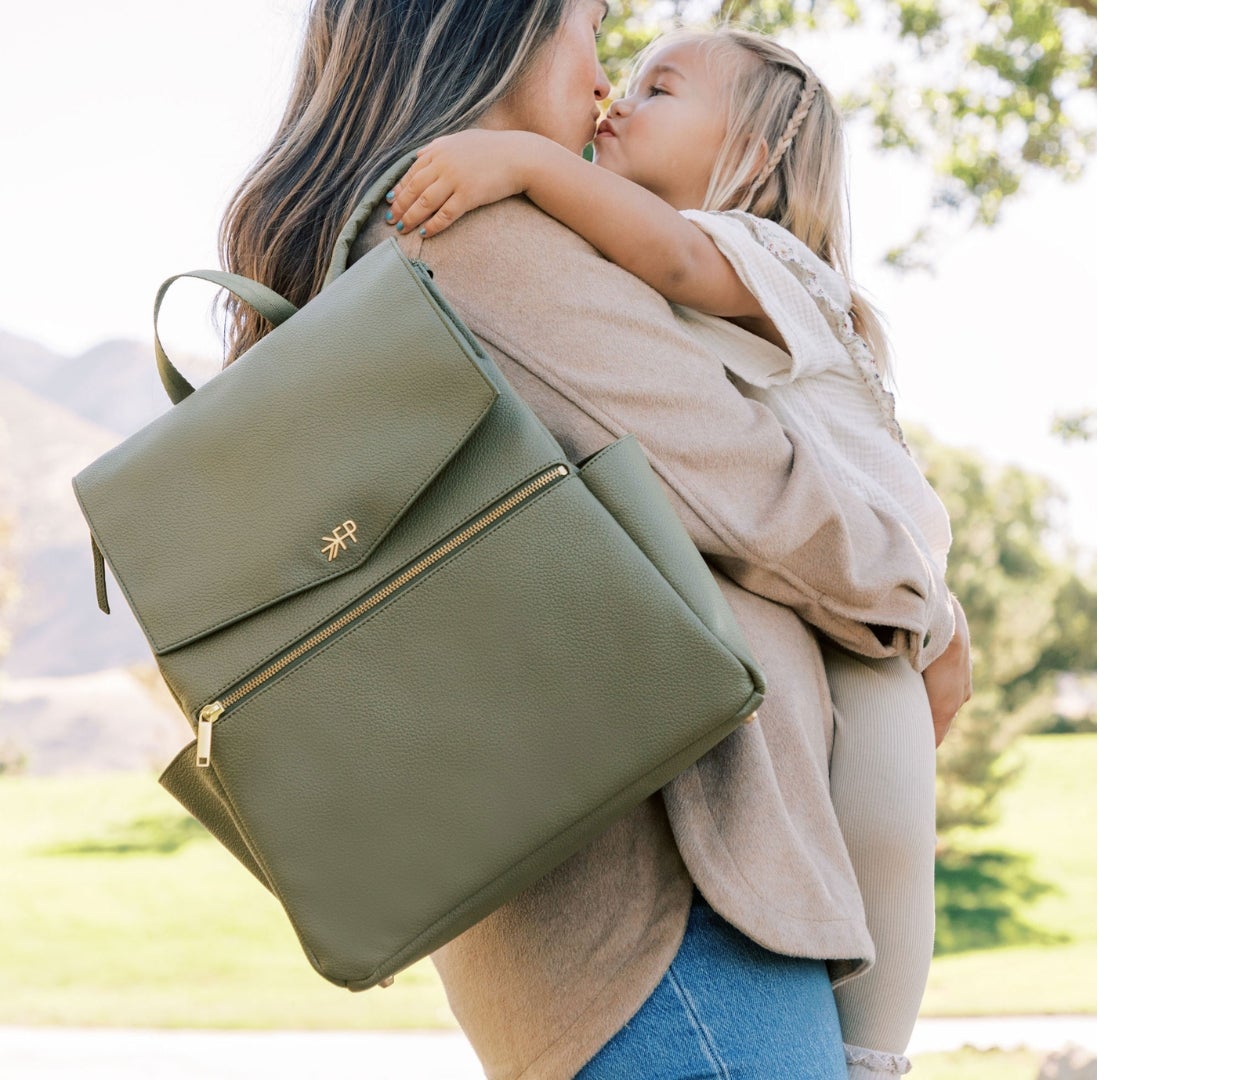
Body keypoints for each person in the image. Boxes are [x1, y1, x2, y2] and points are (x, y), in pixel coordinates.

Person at [213, 1, 974, 1077]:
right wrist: (925, 610)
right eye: (593, 27)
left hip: (613, 943)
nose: (607, 75)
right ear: (497, 30)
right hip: (682, 925)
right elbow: (759, 494)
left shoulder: (422, 240)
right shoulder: (477, 234)